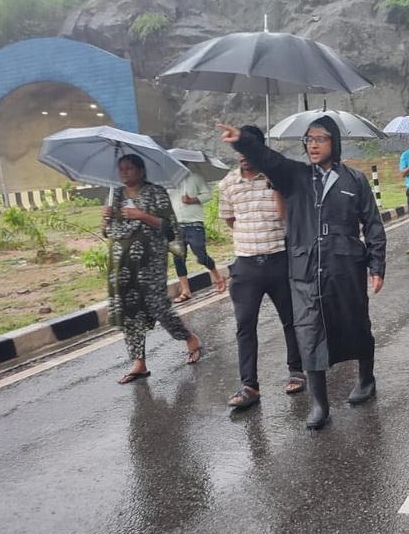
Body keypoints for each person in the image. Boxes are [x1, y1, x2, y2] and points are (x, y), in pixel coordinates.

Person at [217, 117, 386, 430]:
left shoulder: (355, 180)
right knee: (309, 332)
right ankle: (320, 404)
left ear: (334, 142)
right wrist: (242, 141)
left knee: (357, 323)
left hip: (346, 266)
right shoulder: (294, 176)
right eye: (309, 139)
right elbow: (269, 159)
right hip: (305, 269)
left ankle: (366, 378)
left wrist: (377, 264)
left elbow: (372, 223)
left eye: (320, 138)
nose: (313, 144)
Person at [218, 125, 307, 409]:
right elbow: (230, 220)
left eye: (249, 147)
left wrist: (277, 188)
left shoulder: (277, 179)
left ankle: (296, 370)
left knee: (290, 320)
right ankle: (249, 386)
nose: (244, 154)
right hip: (245, 266)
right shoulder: (228, 184)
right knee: (245, 326)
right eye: (240, 149)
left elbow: (286, 219)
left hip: (279, 259)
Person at [102, 154, 203, 384]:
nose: (125, 172)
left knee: (157, 306)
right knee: (129, 311)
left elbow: (169, 227)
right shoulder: (115, 195)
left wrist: (142, 215)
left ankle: (189, 338)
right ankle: (139, 361)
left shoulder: (156, 192)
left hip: (150, 262)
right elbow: (107, 232)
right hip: (122, 263)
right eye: (122, 169)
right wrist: (106, 220)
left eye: (129, 168)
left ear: (141, 170)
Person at [167, 162, 226, 302]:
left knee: (201, 256)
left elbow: (208, 195)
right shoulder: (169, 181)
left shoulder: (195, 177)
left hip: (194, 225)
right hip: (176, 226)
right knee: (178, 259)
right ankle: (185, 290)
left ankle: (217, 276)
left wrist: (192, 200)